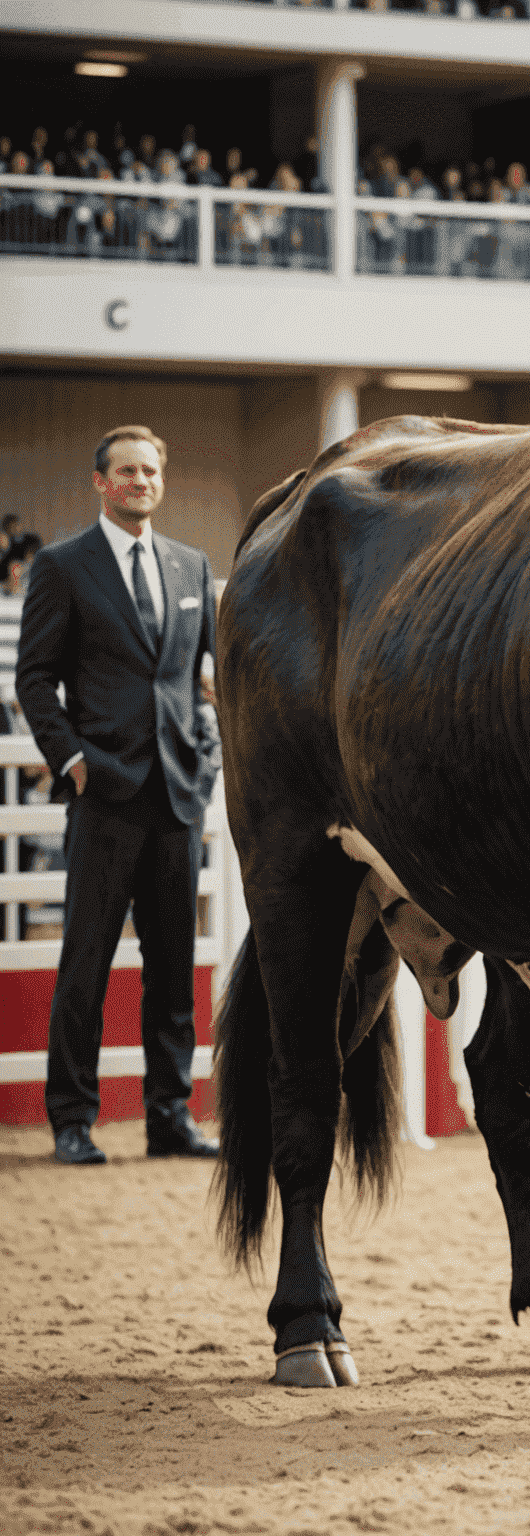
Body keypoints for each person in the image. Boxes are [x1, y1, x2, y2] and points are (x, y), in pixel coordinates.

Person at [16, 426, 222, 1166]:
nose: (141, 481)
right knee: (86, 967)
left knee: (173, 972)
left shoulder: (192, 566)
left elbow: (202, 678)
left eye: (151, 470)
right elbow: (33, 678)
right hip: (102, 795)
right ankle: (72, 1118)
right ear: (101, 482)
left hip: (176, 799)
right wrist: (71, 760)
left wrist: (206, 755)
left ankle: (170, 1116)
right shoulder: (64, 567)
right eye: (127, 471)